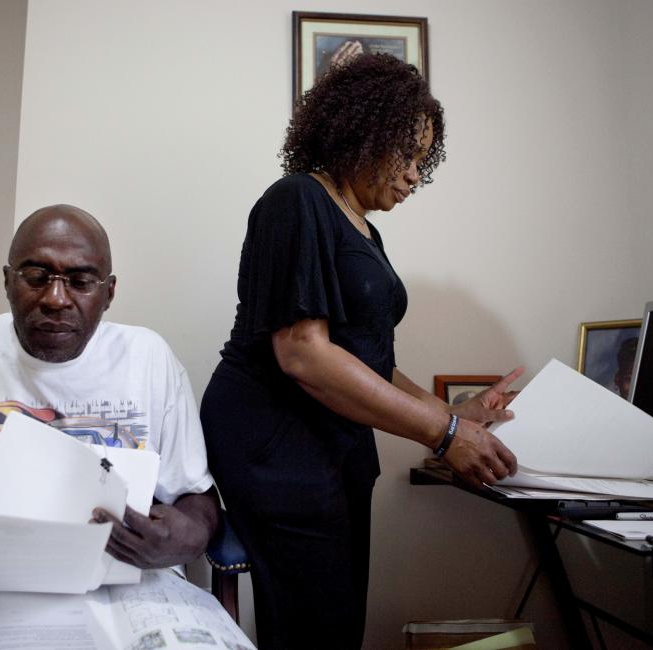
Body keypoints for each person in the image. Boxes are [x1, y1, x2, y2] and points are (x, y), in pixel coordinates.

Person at [200, 54, 522, 649]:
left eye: (424, 163)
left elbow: (367, 358)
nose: (413, 176)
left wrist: (459, 414)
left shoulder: (366, 232)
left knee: (339, 620)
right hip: (277, 445)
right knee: (316, 627)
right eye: (407, 154)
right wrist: (444, 433)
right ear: (363, 131)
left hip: (333, 446)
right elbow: (304, 353)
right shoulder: (296, 200)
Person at [0, 205, 219, 619]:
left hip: (124, 606)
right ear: (8, 281)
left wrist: (186, 539)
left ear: (109, 293)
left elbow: (195, 496)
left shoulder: (148, 358)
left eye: (81, 281)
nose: (56, 299)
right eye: (36, 277)